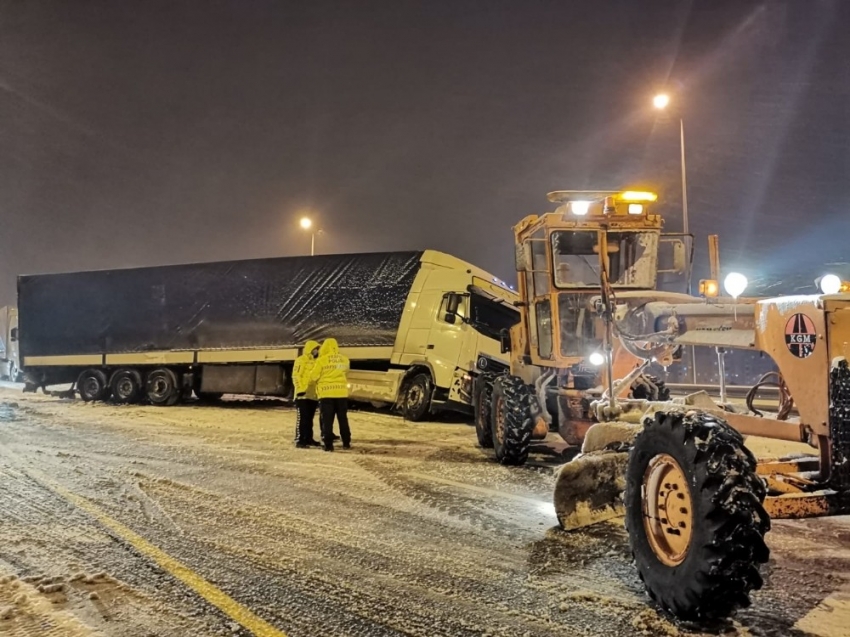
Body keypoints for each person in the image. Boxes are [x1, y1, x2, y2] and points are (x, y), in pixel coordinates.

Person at [310, 338, 351, 451]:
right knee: (343, 418)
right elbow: (346, 372)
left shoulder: (321, 360)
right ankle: (346, 442)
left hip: (326, 393)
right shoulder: (344, 359)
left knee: (327, 419)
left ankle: (328, 444)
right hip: (341, 393)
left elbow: (314, 376)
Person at [292, 340, 321, 448]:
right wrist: (300, 389)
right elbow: (296, 375)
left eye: (317, 349)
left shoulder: (317, 361)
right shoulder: (300, 360)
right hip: (302, 395)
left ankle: (308, 438)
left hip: (313, 395)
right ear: (310, 349)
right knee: (303, 418)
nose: (316, 351)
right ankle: (300, 440)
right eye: (315, 349)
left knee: (309, 418)